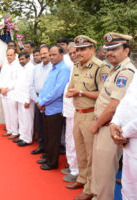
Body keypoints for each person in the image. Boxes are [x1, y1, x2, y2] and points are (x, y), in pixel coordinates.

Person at [90, 33, 135, 200]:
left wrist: (96, 124)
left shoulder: (126, 72)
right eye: (108, 49)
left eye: (115, 49)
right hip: (103, 126)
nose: (110, 53)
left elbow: (114, 106)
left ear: (126, 51)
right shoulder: (114, 69)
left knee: (105, 173)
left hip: (110, 127)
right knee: (99, 170)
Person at [65, 35, 110, 200]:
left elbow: (104, 95)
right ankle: (82, 179)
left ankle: (91, 188)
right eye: (77, 50)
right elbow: (71, 87)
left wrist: (81, 92)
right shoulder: (76, 66)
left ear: (92, 49)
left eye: (83, 49)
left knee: (92, 155)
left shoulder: (100, 68)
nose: (79, 53)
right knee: (80, 151)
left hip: (91, 114)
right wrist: (71, 92)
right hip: (77, 113)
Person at [35, 45, 70, 170]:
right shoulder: (53, 68)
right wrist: (40, 101)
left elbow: (58, 90)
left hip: (55, 109)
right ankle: (48, 156)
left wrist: (43, 101)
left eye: (54, 54)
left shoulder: (64, 69)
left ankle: (52, 162)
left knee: (54, 138)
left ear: (61, 55)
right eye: (50, 55)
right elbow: (45, 87)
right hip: (46, 107)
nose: (51, 57)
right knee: (48, 135)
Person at [110, 73, 137, 200]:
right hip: (128, 141)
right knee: (128, 187)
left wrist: (122, 133)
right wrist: (114, 122)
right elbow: (126, 100)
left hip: (129, 136)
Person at [30, 45, 52, 155]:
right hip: (38, 99)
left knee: (49, 128)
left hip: (49, 101)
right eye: (41, 53)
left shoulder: (53, 67)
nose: (43, 56)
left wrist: (43, 101)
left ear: (50, 54)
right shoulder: (36, 68)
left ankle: (49, 150)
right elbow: (31, 86)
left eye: (45, 53)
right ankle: (41, 146)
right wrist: (38, 101)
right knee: (39, 125)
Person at [61, 42, 79, 182]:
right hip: (69, 111)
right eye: (71, 53)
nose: (72, 56)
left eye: (75, 53)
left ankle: (76, 170)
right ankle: (72, 165)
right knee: (69, 140)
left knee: (75, 142)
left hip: (77, 112)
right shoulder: (73, 67)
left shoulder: (83, 68)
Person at [12, 51, 35, 146]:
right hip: (20, 97)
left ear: (28, 58)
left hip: (26, 99)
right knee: (21, 118)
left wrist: (28, 100)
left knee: (27, 119)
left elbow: (31, 85)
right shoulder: (21, 68)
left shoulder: (31, 68)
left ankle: (28, 138)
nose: (21, 61)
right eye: (19, 59)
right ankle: (22, 136)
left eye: (22, 59)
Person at [0, 48, 19, 139]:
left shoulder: (17, 65)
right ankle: (9, 130)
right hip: (3, 93)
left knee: (13, 113)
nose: (9, 57)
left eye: (11, 55)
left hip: (12, 93)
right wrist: (1, 88)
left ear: (15, 55)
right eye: (8, 55)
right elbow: (1, 77)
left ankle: (15, 132)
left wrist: (7, 89)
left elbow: (16, 80)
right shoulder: (5, 64)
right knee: (6, 113)